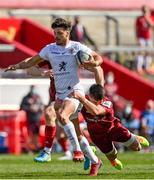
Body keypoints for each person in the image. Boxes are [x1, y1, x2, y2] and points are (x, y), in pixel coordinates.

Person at [5, 18, 103, 176]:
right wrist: (16, 66)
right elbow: (32, 61)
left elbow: (99, 59)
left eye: (59, 33)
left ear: (67, 33)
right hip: (60, 94)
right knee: (76, 132)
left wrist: (93, 64)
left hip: (74, 92)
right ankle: (95, 161)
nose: (56, 35)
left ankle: (74, 150)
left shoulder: (77, 47)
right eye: (54, 32)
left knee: (61, 116)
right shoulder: (50, 49)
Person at [71, 84, 150, 171]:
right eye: (96, 101)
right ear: (90, 96)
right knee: (112, 156)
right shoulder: (84, 100)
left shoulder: (107, 103)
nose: (99, 103)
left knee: (137, 148)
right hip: (98, 136)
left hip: (114, 129)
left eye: (100, 100)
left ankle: (135, 137)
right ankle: (111, 159)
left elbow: (96, 111)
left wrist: (83, 100)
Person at [20, 85, 44, 153]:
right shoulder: (26, 97)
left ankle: (36, 147)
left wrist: (37, 108)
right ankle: (30, 148)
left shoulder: (39, 97)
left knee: (36, 134)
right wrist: (29, 108)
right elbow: (21, 107)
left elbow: (42, 106)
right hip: (29, 119)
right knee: (29, 134)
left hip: (37, 119)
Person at [135, 5, 154, 74]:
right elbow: (136, 29)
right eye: (144, 10)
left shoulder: (150, 18)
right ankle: (139, 67)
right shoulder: (139, 18)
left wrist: (147, 18)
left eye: (146, 10)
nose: (145, 12)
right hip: (141, 38)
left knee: (149, 53)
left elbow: (152, 26)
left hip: (148, 38)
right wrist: (137, 38)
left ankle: (147, 67)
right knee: (141, 52)